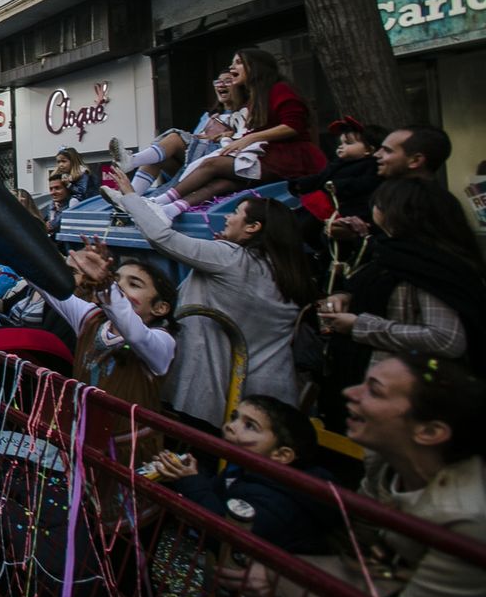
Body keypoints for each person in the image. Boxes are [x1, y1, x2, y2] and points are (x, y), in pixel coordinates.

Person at [221, 354, 486, 597]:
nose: (350, 393)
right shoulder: (384, 462)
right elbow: (356, 544)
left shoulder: (467, 520)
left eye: (374, 391)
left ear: (429, 432)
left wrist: (285, 581)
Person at [107, 170, 315, 432]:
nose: (228, 217)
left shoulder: (230, 258)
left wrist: (129, 196)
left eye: (236, 213)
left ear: (253, 227)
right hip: (271, 397)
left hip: (212, 393)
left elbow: (163, 238)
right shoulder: (291, 274)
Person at [317, 176, 486, 378]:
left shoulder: (426, 265)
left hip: (408, 388)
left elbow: (446, 339)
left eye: (379, 203)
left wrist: (359, 325)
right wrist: (348, 299)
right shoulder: (394, 255)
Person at [145, 48, 326, 220]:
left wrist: (249, 138)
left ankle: (160, 200)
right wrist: (230, 136)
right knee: (222, 184)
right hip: (267, 159)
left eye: (239, 62)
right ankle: (171, 210)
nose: (232, 67)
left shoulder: (280, 89)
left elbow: (293, 126)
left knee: (211, 164)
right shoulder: (255, 99)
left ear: (256, 67)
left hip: (289, 161)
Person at [41, 239, 178, 461]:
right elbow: (45, 284)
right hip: (82, 443)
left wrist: (107, 287)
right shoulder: (91, 318)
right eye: (117, 280)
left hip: (129, 454)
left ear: (160, 307)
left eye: (134, 284)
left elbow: (135, 334)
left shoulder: (163, 342)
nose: (121, 286)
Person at [147, 395, 334, 554]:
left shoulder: (278, 500)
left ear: (281, 454)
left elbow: (225, 540)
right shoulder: (240, 469)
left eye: (250, 426)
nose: (230, 426)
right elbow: (214, 497)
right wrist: (179, 475)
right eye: (234, 417)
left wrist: (190, 481)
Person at [122, 71, 248, 194]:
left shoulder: (247, 114)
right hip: (192, 165)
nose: (221, 85)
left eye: (227, 81)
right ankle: (132, 193)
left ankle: (132, 161)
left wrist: (226, 136)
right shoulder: (209, 116)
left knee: (174, 137)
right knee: (155, 156)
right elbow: (194, 143)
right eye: (218, 82)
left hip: (217, 168)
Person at [286, 115, 385, 223]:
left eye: (348, 143)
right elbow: (321, 177)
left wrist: (337, 185)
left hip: (347, 211)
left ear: (369, 150)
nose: (341, 146)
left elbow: (366, 184)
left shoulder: (371, 165)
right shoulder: (337, 164)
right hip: (322, 204)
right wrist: (300, 184)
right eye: (341, 143)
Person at [39, 173, 78, 243]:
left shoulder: (75, 205)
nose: (53, 192)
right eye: (51, 189)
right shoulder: (51, 207)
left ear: (67, 188)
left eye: (57, 188)